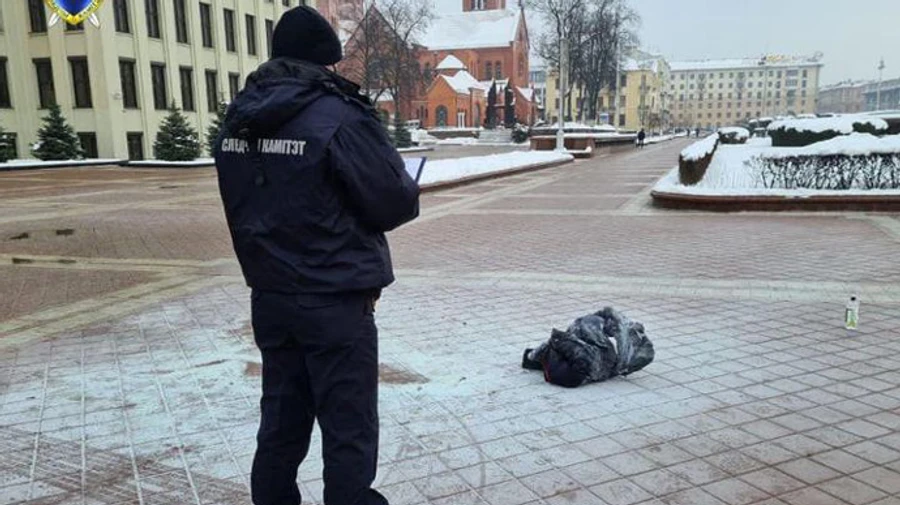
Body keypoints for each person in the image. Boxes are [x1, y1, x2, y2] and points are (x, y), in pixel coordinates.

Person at [213, 6, 420, 505]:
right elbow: (394, 201)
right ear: (326, 61)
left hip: (271, 296)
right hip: (334, 300)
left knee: (281, 420)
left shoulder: (239, 117)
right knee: (347, 425)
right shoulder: (338, 115)